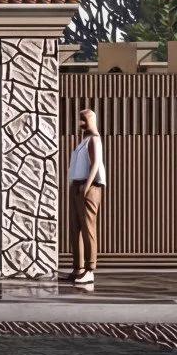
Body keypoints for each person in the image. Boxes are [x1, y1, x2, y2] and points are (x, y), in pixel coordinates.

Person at [68, 107, 105, 284]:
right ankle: (78, 267)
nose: (81, 123)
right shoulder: (84, 140)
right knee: (75, 229)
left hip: (88, 188)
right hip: (77, 186)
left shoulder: (94, 140)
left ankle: (90, 269)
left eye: (84, 120)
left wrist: (86, 186)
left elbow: (96, 163)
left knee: (88, 228)